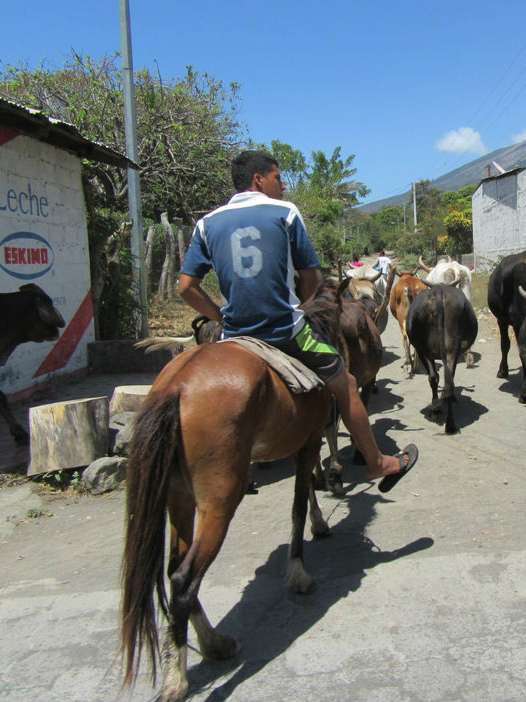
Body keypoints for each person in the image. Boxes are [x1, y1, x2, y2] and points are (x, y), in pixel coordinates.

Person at [177, 150, 417, 491]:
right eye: (278, 177)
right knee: (346, 383)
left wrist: (221, 316)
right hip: (284, 331)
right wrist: (300, 308)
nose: (284, 185)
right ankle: (376, 462)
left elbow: (186, 287)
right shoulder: (284, 213)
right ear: (258, 180)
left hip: (233, 337)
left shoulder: (207, 223)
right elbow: (310, 276)